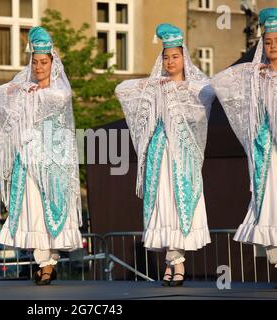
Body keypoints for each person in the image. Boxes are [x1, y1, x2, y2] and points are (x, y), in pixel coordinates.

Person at [116, 24, 215, 287]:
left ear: (185, 58)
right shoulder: (156, 87)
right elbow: (122, 89)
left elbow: (210, 93)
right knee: (163, 204)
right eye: (166, 57)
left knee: (178, 204)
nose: (170, 61)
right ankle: (173, 264)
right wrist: (153, 84)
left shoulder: (195, 87)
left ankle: (177, 263)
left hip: (182, 156)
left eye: (175, 56)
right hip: (160, 154)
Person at [0, 26, 83, 286]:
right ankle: (46, 263)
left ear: (53, 64)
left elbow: (56, 98)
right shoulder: (24, 88)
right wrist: (16, 91)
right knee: (33, 210)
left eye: (44, 62)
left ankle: (48, 262)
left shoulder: (59, 91)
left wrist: (29, 93)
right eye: (35, 62)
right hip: (27, 159)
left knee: (50, 209)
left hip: (52, 161)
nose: (39, 67)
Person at [211, 7, 277, 272]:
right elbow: (220, 81)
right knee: (268, 205)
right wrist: (253, 71)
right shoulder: (256, 77)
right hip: (267, 152)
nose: (272, 47)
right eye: (268, 42)